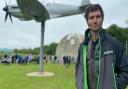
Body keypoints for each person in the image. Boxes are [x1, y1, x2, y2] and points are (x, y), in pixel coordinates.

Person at [75, 4, 128, 89]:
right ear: (87, 21)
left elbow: (125, 71)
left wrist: (113, 86)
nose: (95, 21)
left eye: (98, 16)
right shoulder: (83, 46)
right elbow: (78, 68)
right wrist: (78, 83)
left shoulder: (114, 44)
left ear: (102, 18)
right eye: (91, 17)